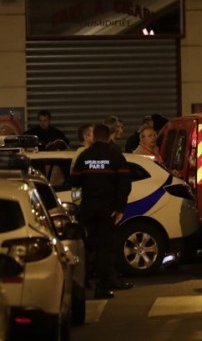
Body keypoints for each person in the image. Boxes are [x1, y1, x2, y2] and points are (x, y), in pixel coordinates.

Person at [71, 124, 133, 299]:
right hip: (108, 209)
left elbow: (74, 180)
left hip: (88, 208)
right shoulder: (115, 156)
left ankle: (83, 284)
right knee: (105, 248)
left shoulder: (84, 156)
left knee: (87, 246)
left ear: (95, 136)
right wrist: (120, 207)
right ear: (107, 137)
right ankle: (102, 287)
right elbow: (124, 184)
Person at [71, 123, 94, 204]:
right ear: (86, 137)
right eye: (93, 133)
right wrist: (78, 201)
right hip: (82, 202)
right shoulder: (83, 154)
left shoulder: (82, 153)